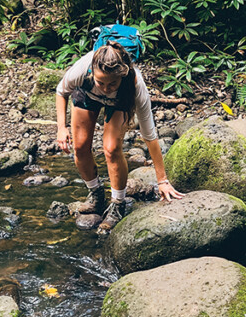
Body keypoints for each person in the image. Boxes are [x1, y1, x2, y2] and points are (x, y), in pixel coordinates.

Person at [55, 43, 183, 232]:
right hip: (87, 94)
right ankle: (96, 194)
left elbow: (149, 135)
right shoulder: (83, 68)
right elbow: (61, 91)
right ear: (93, 72)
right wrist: (61, 128)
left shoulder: (134, 85)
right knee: (80, 147)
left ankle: (118, 204)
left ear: (122, 75)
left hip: (120, 101)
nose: (106, 88)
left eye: (112, 83)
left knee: (112, 148)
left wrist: (162, 180)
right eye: (101, 83)